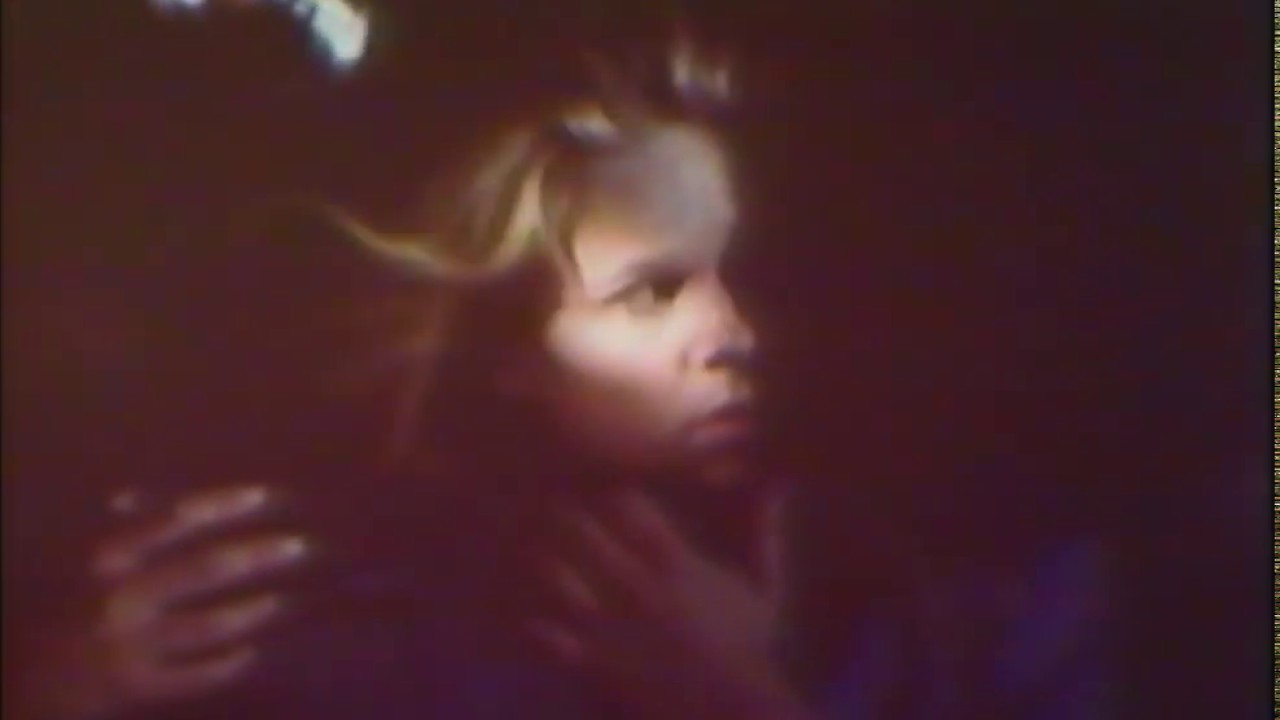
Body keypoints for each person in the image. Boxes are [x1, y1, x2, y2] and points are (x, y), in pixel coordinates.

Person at [10, 28, 1112, 720]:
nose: (734, 335)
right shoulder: (342, 605)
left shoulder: (979, 592)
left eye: (749, 275)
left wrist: (735, 703)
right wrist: (64, 687)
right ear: (511, 356)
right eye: (651, 294)